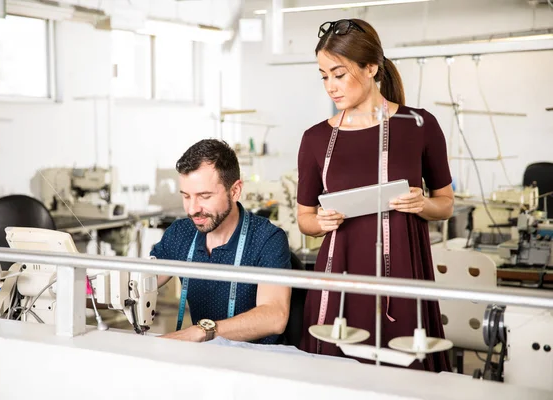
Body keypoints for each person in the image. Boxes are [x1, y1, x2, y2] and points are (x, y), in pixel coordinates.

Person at [296, 19, 453, 372]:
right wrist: (319, 222)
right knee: (335, 376)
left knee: (405, 375)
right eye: (324, 76)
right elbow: (305, 219)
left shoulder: (419, 125)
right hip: (339, 273)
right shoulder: (315, 139)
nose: (330, 87)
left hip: (402, 270)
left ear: (371, 68)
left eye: (339, 74)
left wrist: (423, 204)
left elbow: (445, 204)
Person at [150, 139, 292, 344]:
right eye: (186, 196)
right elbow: (142, 282)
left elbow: (274, 316)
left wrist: (202, 331)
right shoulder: (181, 232)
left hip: (258, 362)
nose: (192, 209)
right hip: (207, 355)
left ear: (234, 191)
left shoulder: (266, 238)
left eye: (204, 196)